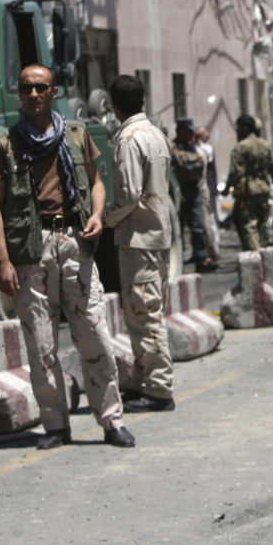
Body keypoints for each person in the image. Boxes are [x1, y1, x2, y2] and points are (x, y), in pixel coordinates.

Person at [0, 64, 136, 449]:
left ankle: (111, 420)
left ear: (54, 92)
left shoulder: (76, 135)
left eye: (40, 87)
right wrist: (2, 261)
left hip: (73, 241)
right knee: (41, 344)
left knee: (96, 336)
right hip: (30, 250)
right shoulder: (5, 145)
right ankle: (56, 426)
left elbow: (97, 182)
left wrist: (98, 216)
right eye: (26, 88)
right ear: (19, 94)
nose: (33, 94)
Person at [103, 75, 176, 413]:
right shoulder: (157, 135)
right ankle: (146, 378)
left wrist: (105, 219)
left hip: (139, 238)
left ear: (114, 106)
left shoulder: (128, 139)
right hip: (157, 236)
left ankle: (159, 388)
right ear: (143, 101)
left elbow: (129, 195)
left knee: (144, 315)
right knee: (147, 309)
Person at [223, 114, 273, 250]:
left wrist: (227, 188)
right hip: (264, 189)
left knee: (249, 226)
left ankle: (255, 259)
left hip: (248, 191)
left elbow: (236, 173)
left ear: (245, 128)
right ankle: (266, 258)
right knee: (262, 225)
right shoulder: (266, 145)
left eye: (239, 128)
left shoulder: (241, 147)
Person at [171, 118, 217, 272]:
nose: (192, 134)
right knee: (177, 229)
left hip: (194, 190)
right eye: (189, 131)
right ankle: (180, 263)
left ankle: (201, 258)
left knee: (199, 226)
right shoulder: (172, 148)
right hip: (179, 191)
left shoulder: (192, 147)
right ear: (182, 131)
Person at [195, 125, 221, 264]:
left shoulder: (206, 149)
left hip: (209, 190)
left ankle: (214, 250)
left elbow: (203, 154)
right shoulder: (203, 148)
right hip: (208, 189)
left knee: (211, 221)